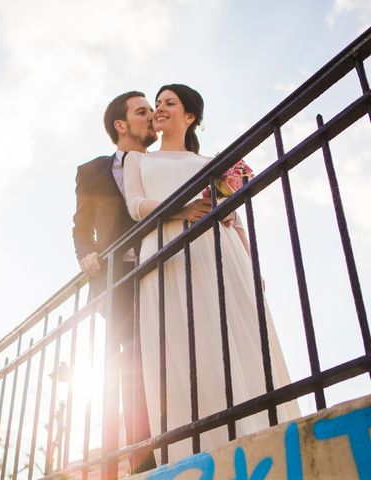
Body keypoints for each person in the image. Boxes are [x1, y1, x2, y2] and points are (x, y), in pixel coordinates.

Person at [123, 84, 299, 463]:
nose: (159, 110)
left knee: (230, 336)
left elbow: (234, 223)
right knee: (181, 346)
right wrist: (183, 209)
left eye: (169, 103)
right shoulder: (137, 160)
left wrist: (252, 266)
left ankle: (261, 439)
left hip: (216, 252)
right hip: (167, 253)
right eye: (156, 105)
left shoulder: (210, 165)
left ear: (190, 117)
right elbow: (136, 206)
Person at [72, 91, 158, 472]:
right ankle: (143, 455)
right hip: (118, 279)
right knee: (130, 362)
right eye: (142, 112)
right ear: (120, 125)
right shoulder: (91, 170)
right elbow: (81, 224)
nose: (152, 117)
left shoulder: (164, 163)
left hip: (164, 264)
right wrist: (85, 253)